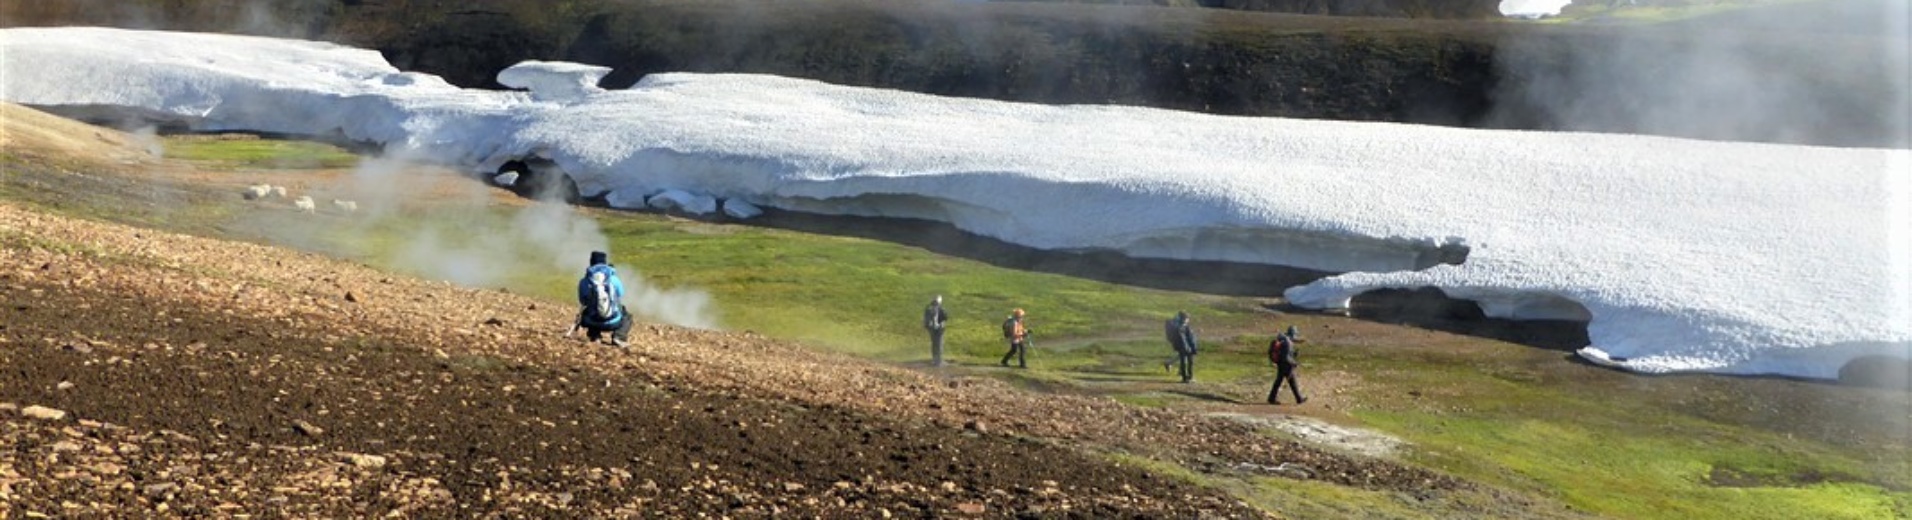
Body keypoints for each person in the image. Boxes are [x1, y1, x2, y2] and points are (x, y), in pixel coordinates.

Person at [570, 250, 632, 347]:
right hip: (613, 322)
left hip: (592, 321)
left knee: (588, 310)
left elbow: (583, 301)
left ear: (591, 263)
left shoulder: (585, 280)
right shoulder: (612, 278)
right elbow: (620, 294)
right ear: (605, 263)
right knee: (627, 316)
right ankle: (619, 337)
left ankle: (595, 336)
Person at [1268, 326, 1307, 405]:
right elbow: (1286, 357)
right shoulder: (1288, 342)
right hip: (1286, 365)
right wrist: (1294, 363)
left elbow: (1286, 354)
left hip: (1281, 364)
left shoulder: (1283, 340)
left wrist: (1294, 355)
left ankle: (1271, 398)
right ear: (1293, 334)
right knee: (1292, 382)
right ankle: (1299, 399)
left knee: (1279, 381)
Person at [1164, 311, 1197, 383]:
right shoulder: (1180, 328)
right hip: (1184, 347)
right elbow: (1184, 339)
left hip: (1186, 347)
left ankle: (1187, 376)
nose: (1188, 320)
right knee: (1184, 362)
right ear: (1184, 319)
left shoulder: (1184, 327)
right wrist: (1189, 347)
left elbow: (1189, 338)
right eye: (1187, 318)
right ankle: (1185, 377)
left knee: (1186, 361)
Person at [924, 295, 950, 366]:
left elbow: (926, 320)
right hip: (938, 329)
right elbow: (945, 317)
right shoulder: (939, 309)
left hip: (932, 328)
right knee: (939, 343)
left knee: (935, 343)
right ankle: (938, 360)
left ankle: (935, 359)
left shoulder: (929, 308)